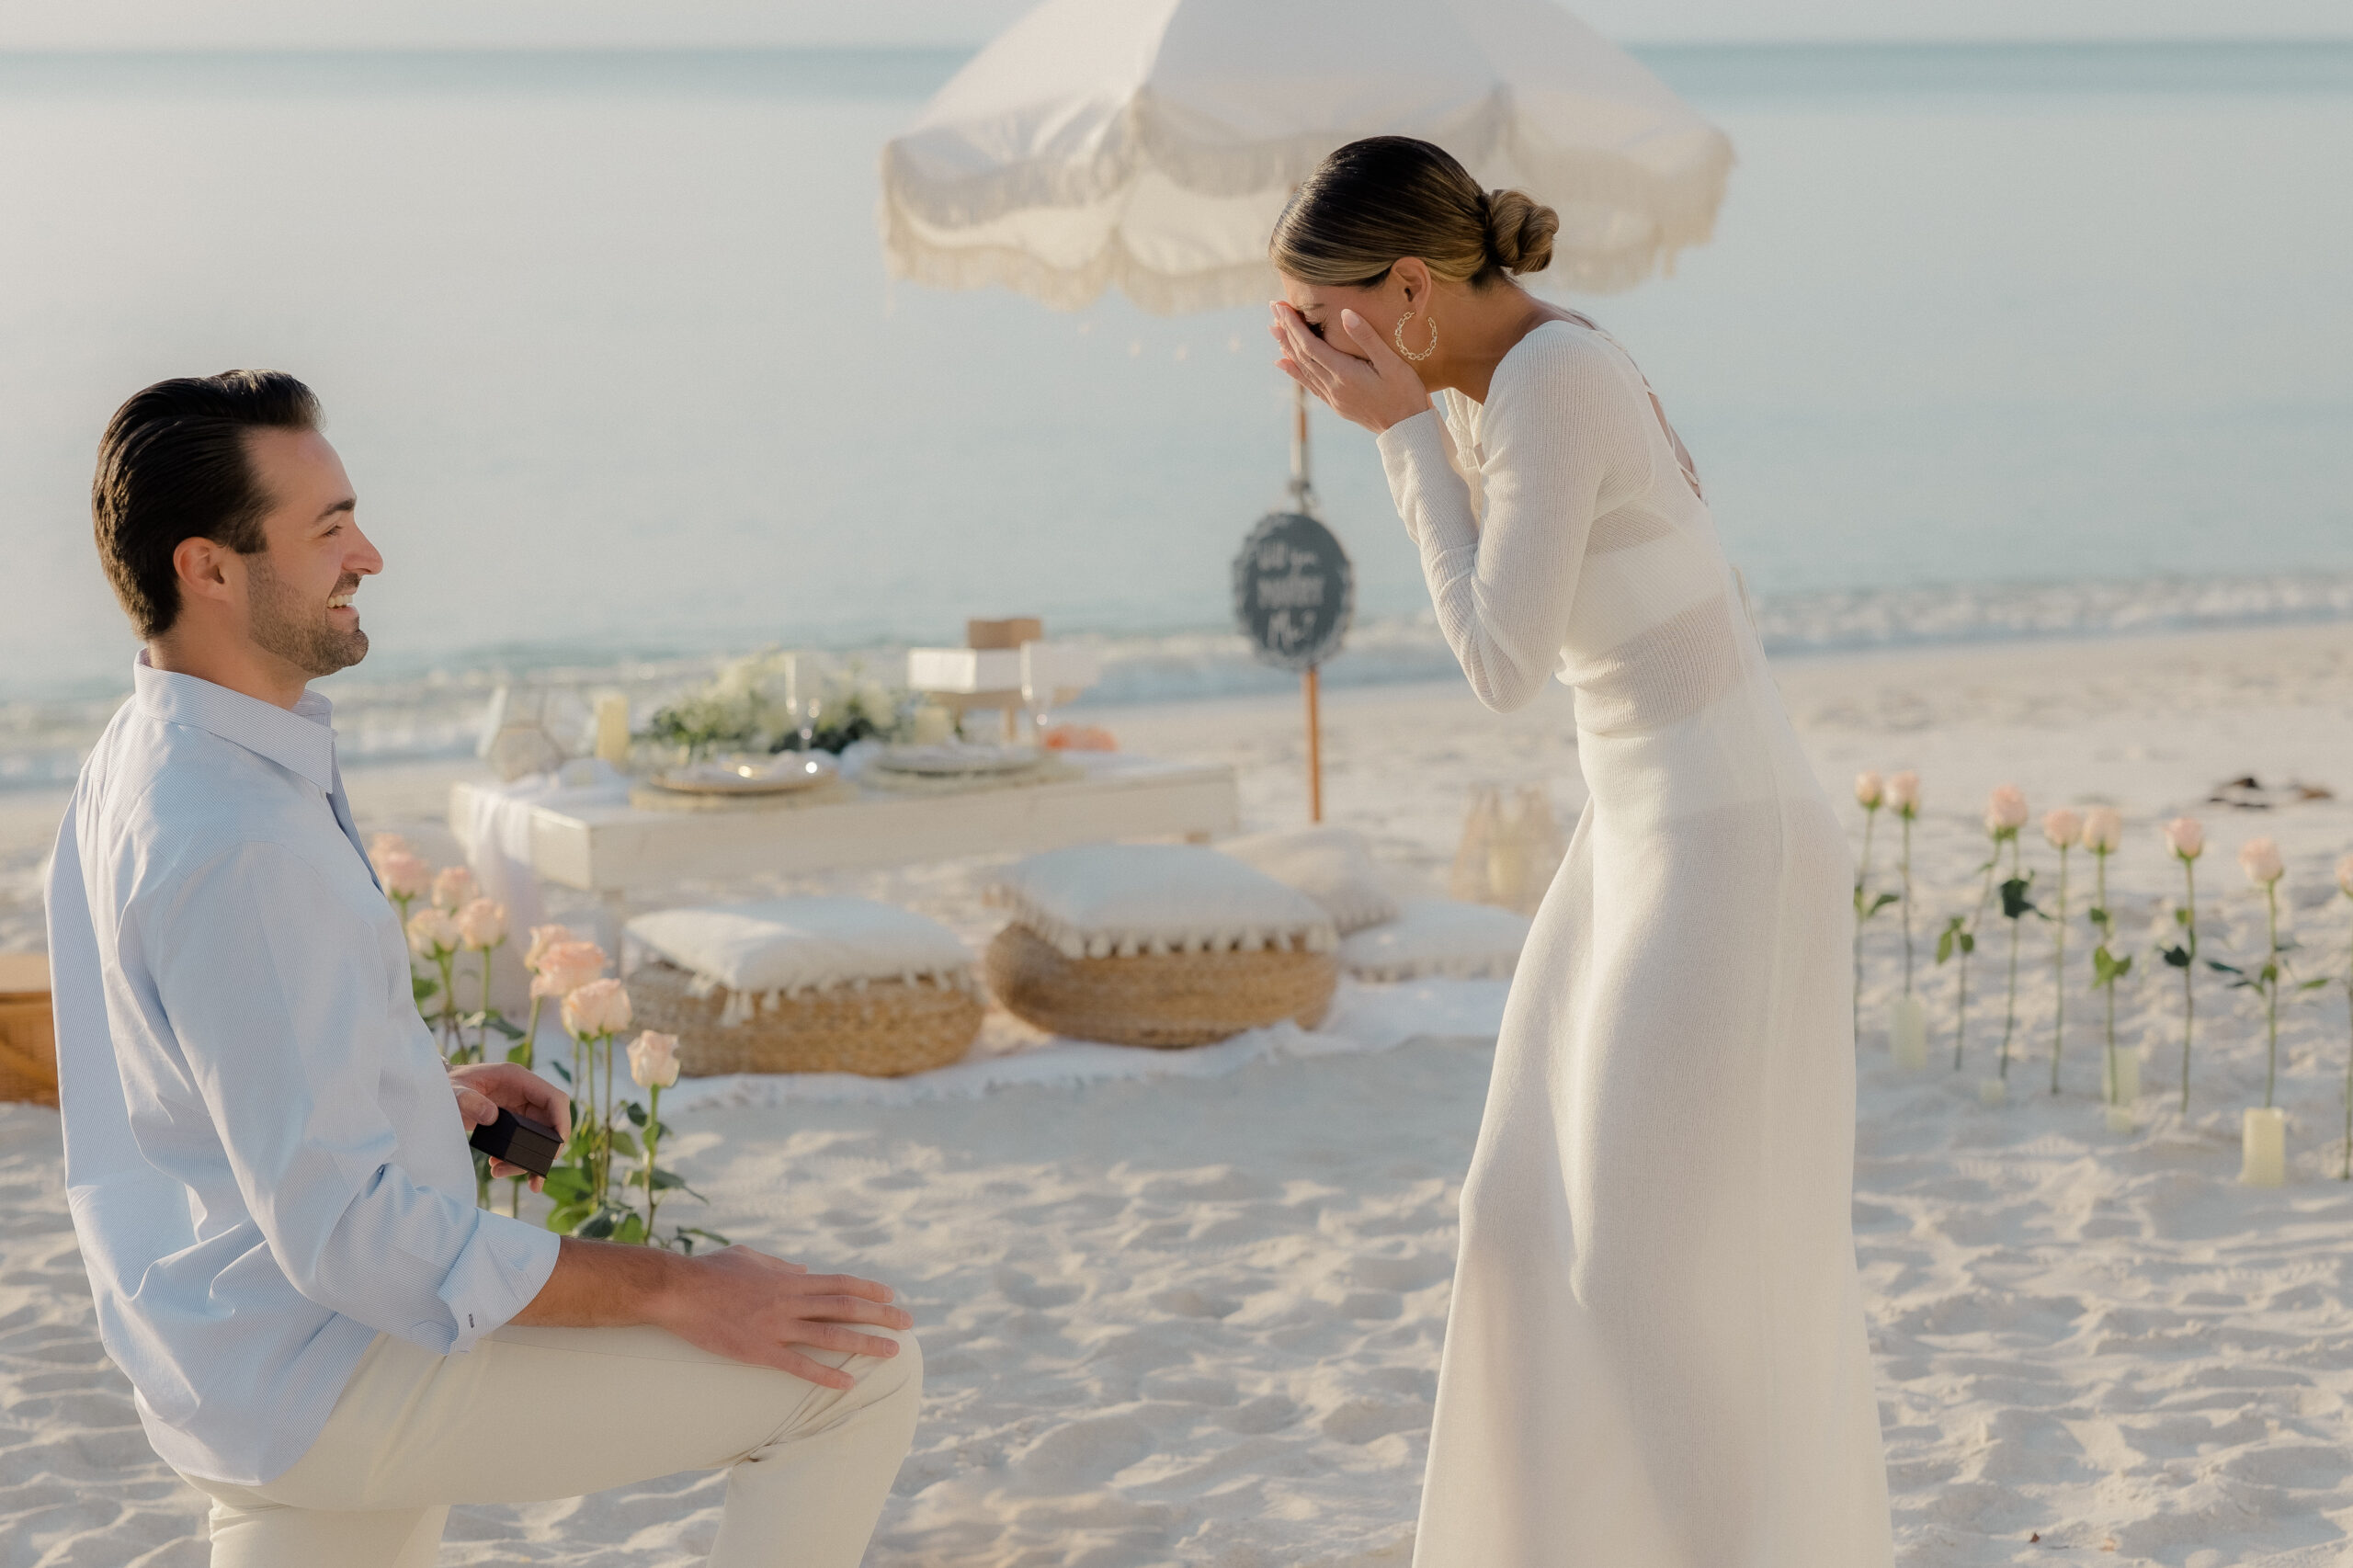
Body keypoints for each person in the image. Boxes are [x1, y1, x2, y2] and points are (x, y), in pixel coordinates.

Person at [44, 370, 921, 1568]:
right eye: (329, 527)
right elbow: (349, 1233)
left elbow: (197, 1072)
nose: (372, 553)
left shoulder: (147, 754)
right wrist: (680, 1287)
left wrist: (412, 1097)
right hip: (332, 1370)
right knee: (855, 1366)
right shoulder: (234, 836)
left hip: (224, 1360)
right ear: (208, 568)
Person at [1267, 138, 1893, 1565]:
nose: (1311, 352)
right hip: (1638, 832)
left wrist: (1397, 436)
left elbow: (1501, 662)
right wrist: (1418, 421)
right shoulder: (1507, 383)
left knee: (1640, 1273)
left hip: (1724, 839)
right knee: (1515, 1218)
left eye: (1326, 321)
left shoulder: (1551, 380)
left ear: (1411, 292)